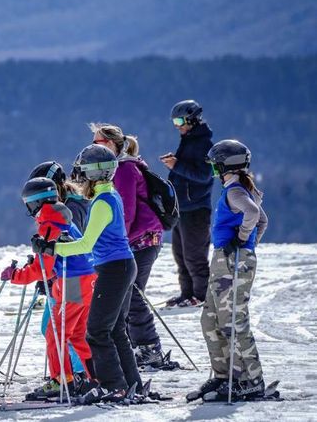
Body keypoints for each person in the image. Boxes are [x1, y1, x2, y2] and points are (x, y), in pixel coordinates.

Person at [33, 144, 143, 404]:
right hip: (120, 266)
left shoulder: (102, 202)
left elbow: (86, 244)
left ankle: (113, 385)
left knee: (96, 330)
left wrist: (52, 247)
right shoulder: (109, 196)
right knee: (115, 329)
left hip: (114, 268)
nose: (79, 177)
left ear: (93, 173)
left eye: (82, 171)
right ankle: (131, 384)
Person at [1, 177, 97, 400]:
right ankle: (93, 376)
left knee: (56, 333)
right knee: (78, 335)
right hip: (87, 279)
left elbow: (41, 269)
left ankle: (61, 382)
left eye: (29, 205)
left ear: (36, 203)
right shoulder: (64, 220)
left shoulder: (49, 226)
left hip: (73, 282)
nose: (29, 211)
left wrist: (15, 275)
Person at [188, 139, 269, 402]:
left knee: (233, 321)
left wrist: (243, 241)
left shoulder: (236, 190)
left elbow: (254, 213)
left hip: (233, 260)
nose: (214, 170)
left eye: (215, 165)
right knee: (210, 319)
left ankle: (251, 380)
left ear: (226, 165)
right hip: (225, 258)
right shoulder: (239, 188)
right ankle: (225, 376)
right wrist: (248, 243)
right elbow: (263, 219)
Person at [89, 124, 170, 369]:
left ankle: (148, 348)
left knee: (131, 292)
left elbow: (125, 213)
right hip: (141, 238)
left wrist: (112, 242)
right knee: (127, 293)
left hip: (141, 239)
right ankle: (134, 347)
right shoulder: (122, 167)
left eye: (99, 143)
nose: (94, 148)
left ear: (113, 144)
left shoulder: (123, 170)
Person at [162, 100, 214, 307]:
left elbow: (204, 175)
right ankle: (187, 294)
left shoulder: (203, 144)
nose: (177, 126)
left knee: (195, 256)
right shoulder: (189, 139)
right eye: (174, 122)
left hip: (196, 209)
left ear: (192, 119)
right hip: (182, 207)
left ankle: (202, 296)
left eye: (179, 121)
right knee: (181, 255)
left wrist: (176, 165)